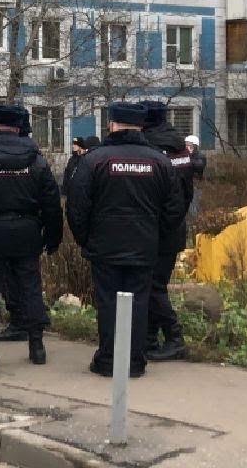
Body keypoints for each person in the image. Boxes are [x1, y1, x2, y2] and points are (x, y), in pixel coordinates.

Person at [66, 102, 184, 378]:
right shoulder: (158, 160)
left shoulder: (95, 159)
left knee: (108, 303)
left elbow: (77, 206)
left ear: (112, 125)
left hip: (105, 247)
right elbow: (174, 209)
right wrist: (156, 238)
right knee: (139, 302)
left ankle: (108, 359)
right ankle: (135, 360)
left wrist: (87, 240)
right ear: (140, 127)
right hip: (144, 247)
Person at [0, 105, 63, 369]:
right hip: (26, 233)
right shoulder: (37, 160)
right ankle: (37, 345)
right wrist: (53, 239)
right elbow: (52, 204)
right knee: (30, 286)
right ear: (18, 127)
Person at [139, 101, 195, 362]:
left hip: (154, 227)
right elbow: (186, 192)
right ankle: (150, 339)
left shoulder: (149, 146)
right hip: (175, 225)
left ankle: (174, 338)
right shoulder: (180, 146)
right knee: (155, 284)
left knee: (152, 286)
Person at [185, 135, 205, 218]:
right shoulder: (185, 155)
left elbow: (199, 165)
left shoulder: (200, 156)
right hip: (186, 183)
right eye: (186, 145)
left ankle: (196, 222)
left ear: (195, 147)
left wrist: (188, 157)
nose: (187, 147)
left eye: (189, 145)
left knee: (194, 205)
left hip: (195, 184)